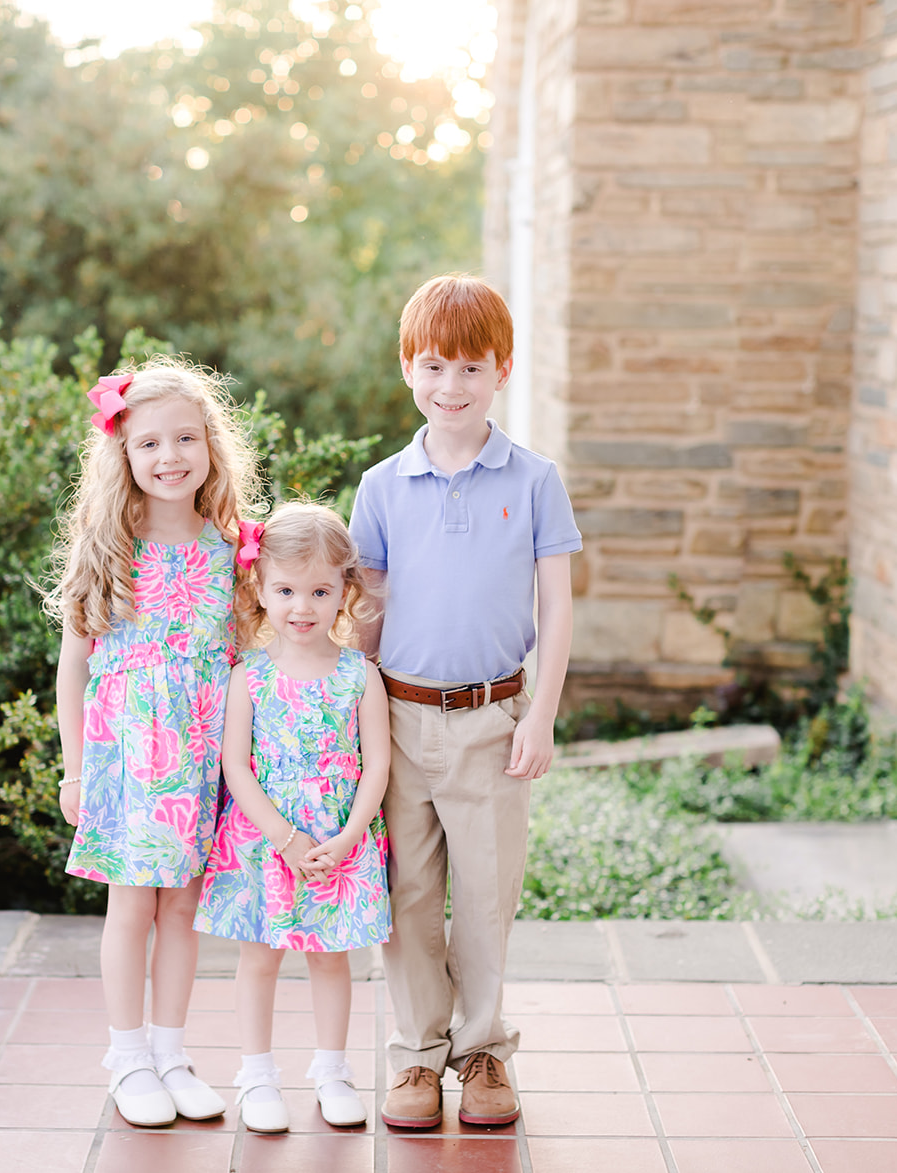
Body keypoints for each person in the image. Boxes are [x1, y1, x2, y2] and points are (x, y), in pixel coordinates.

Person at [349, 274, 581, 1129]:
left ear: (503, 370)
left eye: (471, 368)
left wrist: (542, 713)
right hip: (398, 722)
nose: (452, 386)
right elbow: (364, 612)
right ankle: (417, 1055)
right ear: (409, 368)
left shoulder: (534, 479)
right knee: (408, 894)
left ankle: (482, 1051)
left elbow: (556, 604)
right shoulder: (381, 486)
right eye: (435, 365)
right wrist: (355, 730)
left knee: (485, 895)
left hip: (494, 719)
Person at [49, 359, 259, 1128]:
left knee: (183, 909)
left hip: (202, 760)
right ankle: (127, 1054)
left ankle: (172, 1050)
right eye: (148, 443)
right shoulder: (108, 546)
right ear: (123, 455)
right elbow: (74, 667)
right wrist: (75, 769)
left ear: (211, 445)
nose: (169, 456)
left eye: (185, 438)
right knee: (131, 906)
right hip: (129, 762)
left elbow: (242, 665)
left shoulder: (232, 551)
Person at [194, 502, 392, 1133]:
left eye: (319, 590)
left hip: (340, 841)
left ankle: (332, 1071)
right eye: (285, 590)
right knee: (259, 957)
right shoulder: (248, 676)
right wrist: (283, 837)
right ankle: (256, 1076)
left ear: (344, 593)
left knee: (332, 958)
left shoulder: (360, 677)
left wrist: (346, 838)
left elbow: (377, 766)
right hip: (265, 842)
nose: (301, 606)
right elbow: (236, 768)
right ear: (259, 587)